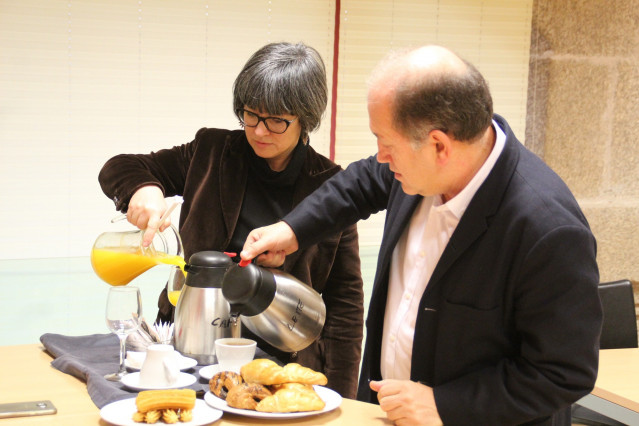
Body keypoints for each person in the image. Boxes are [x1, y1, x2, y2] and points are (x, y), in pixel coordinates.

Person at [240, 45, 602, 425]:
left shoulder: (548, 230)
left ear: (439, 145)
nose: (380, 156)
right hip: (384, 413)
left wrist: (447, 405)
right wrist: (291, 229)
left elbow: (564, 372)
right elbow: (361, 183)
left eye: (386, 143)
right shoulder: (420, 165)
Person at [98, 42, 364, 398]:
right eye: (250, 114)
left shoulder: (331, 187)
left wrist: (343, 397)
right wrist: (144, 189)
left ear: (306, 119)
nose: (258, 131)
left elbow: (345, 303)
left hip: (277, 361)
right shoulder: (212, 152)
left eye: (276, 121)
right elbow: (121, 166)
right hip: (186, 348)